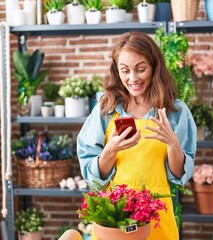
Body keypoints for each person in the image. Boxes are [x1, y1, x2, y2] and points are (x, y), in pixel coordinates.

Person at [77, 31, 196, 240]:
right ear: (117, 70)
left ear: (154, 67)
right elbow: (93, 178)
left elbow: (179, 176)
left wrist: (173, 144)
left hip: (158, 217)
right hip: (114, 219)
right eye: (125, 70)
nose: (133, 79)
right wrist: (111, 149)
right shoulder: (106, 110)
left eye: (141, 69)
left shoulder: (175, 111)